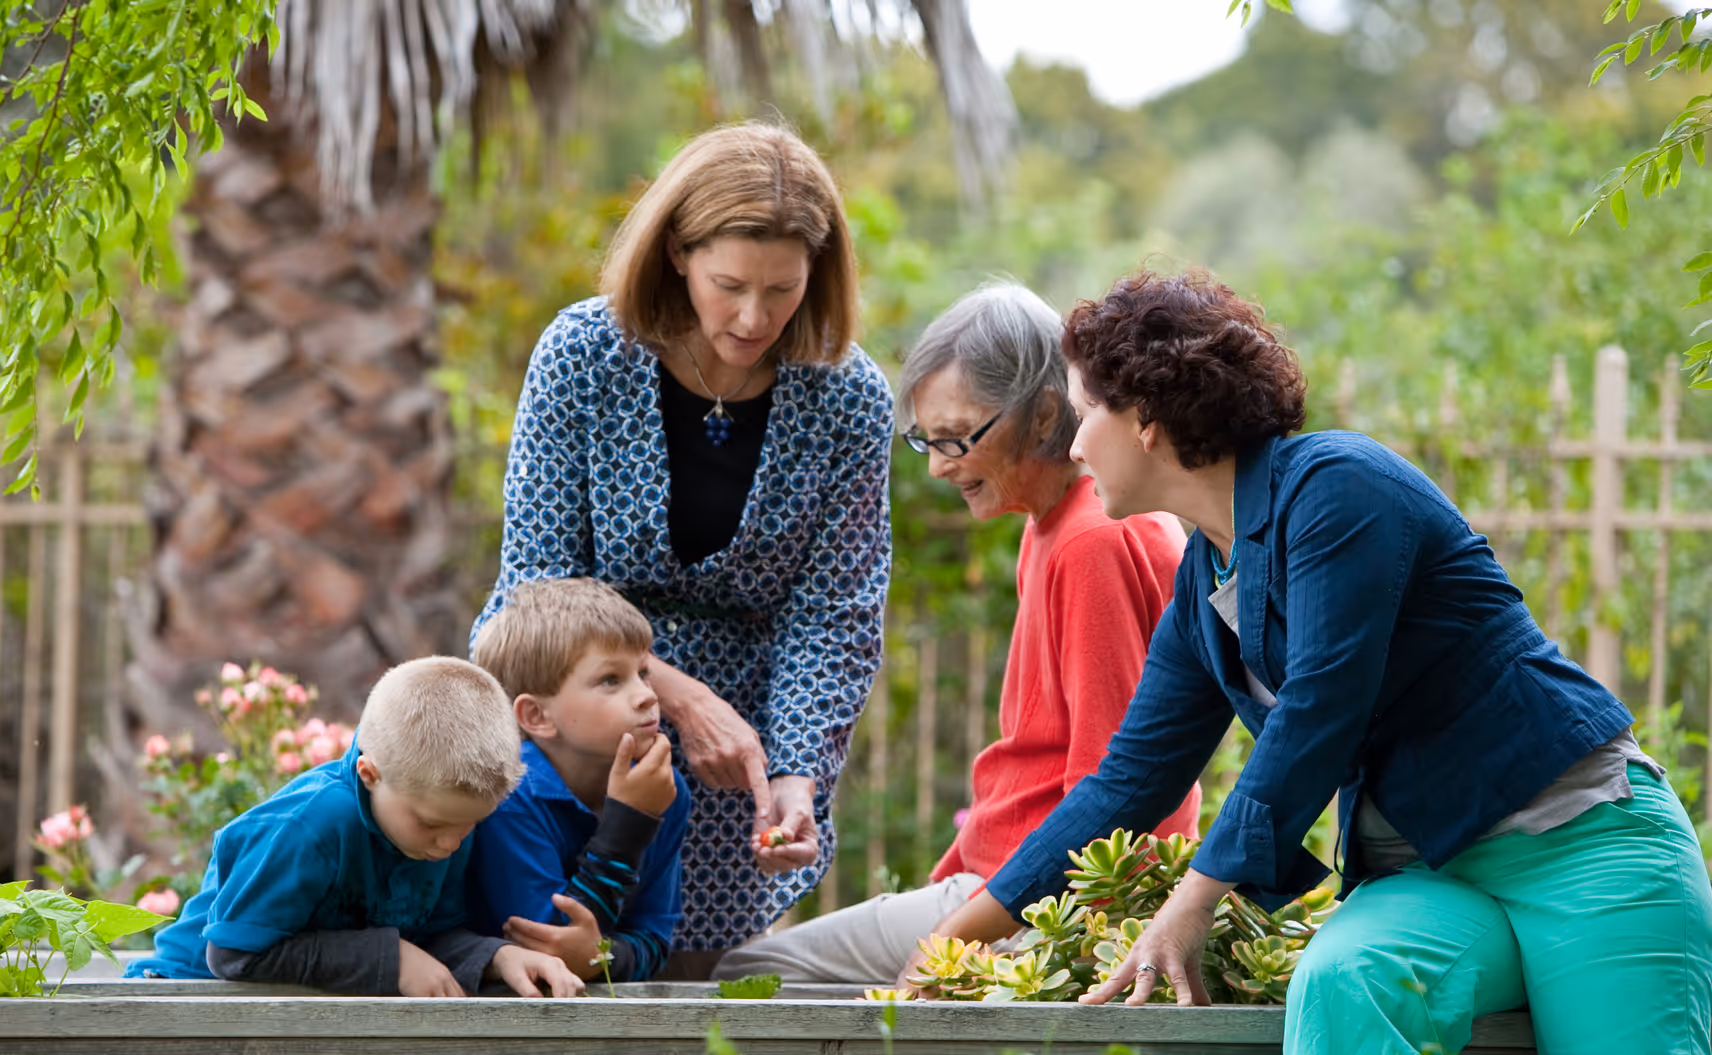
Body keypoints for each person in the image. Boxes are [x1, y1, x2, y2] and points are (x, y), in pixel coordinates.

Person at [909, 268, 1712, 1055]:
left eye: (1084, 415)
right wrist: (946, 943)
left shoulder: (1338, 488)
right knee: (1345, 977)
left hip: (1587, 847)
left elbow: (1323, 709)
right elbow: (1126, 783)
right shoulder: (1204, 579)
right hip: (1436, 876)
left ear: (1148, 416)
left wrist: (1195, 895)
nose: (1070, 445)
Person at [472, 121, 893, 977]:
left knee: (687, 984)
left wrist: (793, 775)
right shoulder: (585, 355)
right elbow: (537, 584)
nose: (753, 317)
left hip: (747, 745)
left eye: (782, 290)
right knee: (538, 954)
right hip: (566, 707)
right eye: (729, 284)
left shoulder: (850, 398)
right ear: (675, 253)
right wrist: (677, 696)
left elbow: (835, 613)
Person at [713, 282, 1197, 986]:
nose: (937, 465)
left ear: (1042, 418)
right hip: (1000, 880)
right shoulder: (1054, 519)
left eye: (956, 438)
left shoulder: (1095, 538)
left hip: (1037, 902)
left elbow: (1115, 792)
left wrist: (959, 937)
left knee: (744, 978)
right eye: (925, 440)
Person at [127, 657, 583, 998]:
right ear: (370, 773)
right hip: (187, 998)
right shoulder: (309, 826)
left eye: (469, 826)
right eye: (431, 823)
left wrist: (496, 957)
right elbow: (234, 955)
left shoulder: (444, 826)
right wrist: (392, 957)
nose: (450, 844)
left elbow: (429, 934)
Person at [468, 578, 690, 984]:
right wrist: (627, 827)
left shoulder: (665, 791)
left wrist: (601, 957)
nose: (646, 696)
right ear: (537, 716)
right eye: (611, 679)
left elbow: (656, 941)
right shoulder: (510, 797)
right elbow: (551, 949)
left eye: (643, 673)